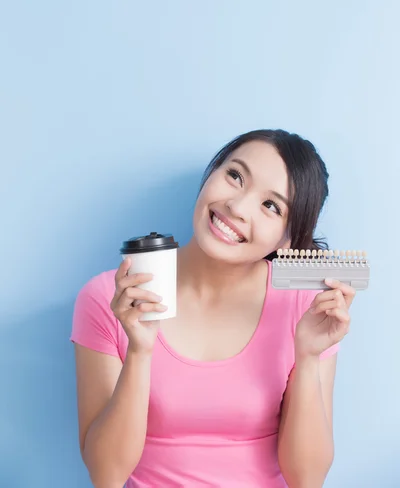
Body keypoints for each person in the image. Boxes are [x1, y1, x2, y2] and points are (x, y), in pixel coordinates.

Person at [70, 129, 355, 488]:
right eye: (234, 176)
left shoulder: (307, 306)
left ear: (287, 239)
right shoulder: (110, 299)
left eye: (271, 206)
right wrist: (141, 352)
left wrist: (309, 356)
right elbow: (105, 475)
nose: (237, 206)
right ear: (211, 175)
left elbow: (308, 479)